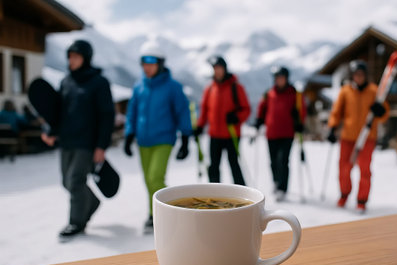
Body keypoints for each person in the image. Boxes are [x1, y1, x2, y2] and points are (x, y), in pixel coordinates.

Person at [41, 40, 115, 240]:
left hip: (87, 143)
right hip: (66, 141)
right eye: (69, 56)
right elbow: (57, 112)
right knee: (67, 181)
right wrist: (50, 130)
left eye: (76, 56)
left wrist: (101, 145)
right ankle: (91, 203)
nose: (71, 60)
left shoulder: (99, 83)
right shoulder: (66, 82)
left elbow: (107, 115)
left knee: (75, 181)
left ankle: (76, 223)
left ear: (86, 58)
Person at [124, 41, 192, 234]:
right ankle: (153, 214)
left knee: (155, 177)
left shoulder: (172, 87)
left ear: (160, 64)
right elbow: (132, 113)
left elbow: (182, 112)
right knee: (148, 180)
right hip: (143, 142)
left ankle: (172, 211)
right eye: (144, 63)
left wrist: (185, 138)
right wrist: (129, 134)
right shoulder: (139, 87)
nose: (147, 67)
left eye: (151, 63)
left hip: (163, 140)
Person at [327, 60, 389, 212]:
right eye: (356, 74)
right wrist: (332, 127)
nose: (358, 77)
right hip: (348, 136)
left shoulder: (374, 91)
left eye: (361, 74)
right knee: (344, 168)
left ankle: (362, 200)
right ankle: (344, 194)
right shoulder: (346, 91)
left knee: (365, 169)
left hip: (367, 137)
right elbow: (337, 111)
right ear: (352, 75)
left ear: (365, 75)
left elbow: (385, 113)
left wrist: (380, 111)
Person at [195, 56, 251, 185]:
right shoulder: (209, 89)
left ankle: (241, 194)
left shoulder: (236, 88)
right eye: (215, 69)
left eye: (219, 68)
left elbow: (246, 109)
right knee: (213, 167)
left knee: (234, 165)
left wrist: (236, 117)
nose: (217, 71)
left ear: (224, 69)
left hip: (232, 134)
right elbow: (204, 110)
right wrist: (199, 126)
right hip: (214, 135)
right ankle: (214, 193)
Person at [253, 66, 306, 201]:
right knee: (273, 162)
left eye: (282, 78)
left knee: (283, 161)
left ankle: (282, 188)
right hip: (271, 133)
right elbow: (262, 109)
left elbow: (302, 110)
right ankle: (276, 182)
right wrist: (259, 120)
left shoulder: (294, 94)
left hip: (287, 133)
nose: (279, 80)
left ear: (286, 78)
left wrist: (299, 122)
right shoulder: (269, 94)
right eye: (277, 78)